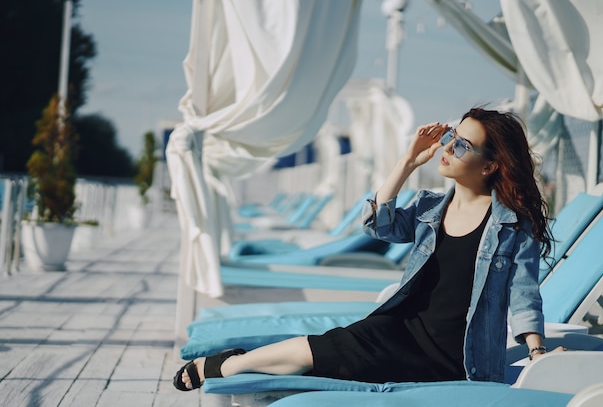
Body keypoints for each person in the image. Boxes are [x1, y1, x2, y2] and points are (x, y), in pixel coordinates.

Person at [174, 107, 564, 390]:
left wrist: (537, 352)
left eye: (463, 146)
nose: (448, 148)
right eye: (451, 138)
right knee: (324, 349)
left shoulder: (513, 224)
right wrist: (407, 161)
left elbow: (523, 293)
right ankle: (232, 365)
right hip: (399, 326)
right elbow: (377, 224)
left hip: (455, 355)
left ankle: (228, 366)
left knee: (323, 356)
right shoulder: (430, 208)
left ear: (489, 166)